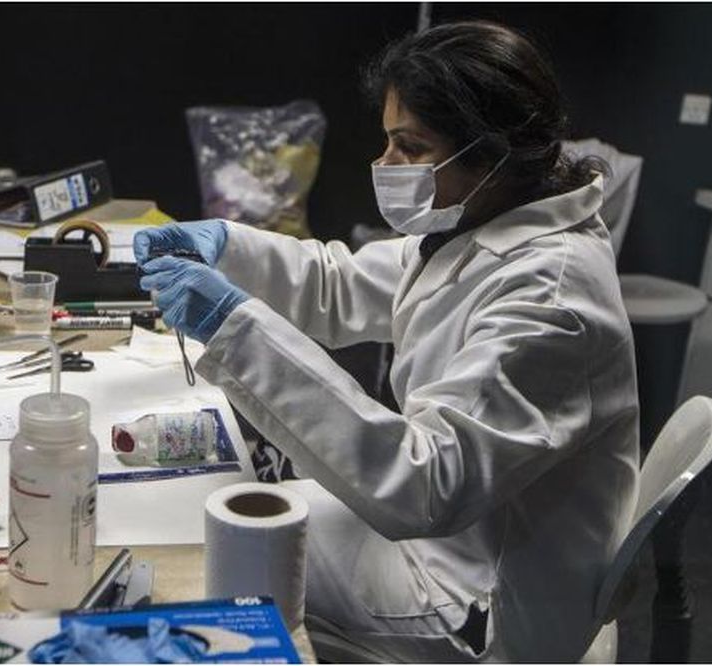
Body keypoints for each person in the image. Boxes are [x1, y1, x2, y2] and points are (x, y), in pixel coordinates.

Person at [134, 21, 639, 663]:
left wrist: (232, 325)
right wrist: (227, 246)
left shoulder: (551, 301)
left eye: (411, 146)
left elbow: (421, 484)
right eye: (388, 140)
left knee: (217, 550)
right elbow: (341, 284)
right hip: (450, 543)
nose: (385, 164)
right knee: (231, 511)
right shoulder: (486, 222)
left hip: (477, 601)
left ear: (494, 151)